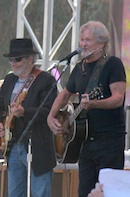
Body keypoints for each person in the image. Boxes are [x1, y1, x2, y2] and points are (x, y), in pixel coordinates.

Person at [47, 20, 126, 197]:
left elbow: (118, 99)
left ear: (102, 43)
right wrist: (51, 116)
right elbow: (65, 94)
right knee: (85, 192)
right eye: (81, 39)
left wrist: (94, 103)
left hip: (109, 142)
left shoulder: (112, 64)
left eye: (88, 40)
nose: (82, 44)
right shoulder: (79, 67)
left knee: (109, 192)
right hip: (84, 143)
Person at [0, 38, 57, 197]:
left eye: (17, 59)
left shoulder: (45, 80)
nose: (13, 63)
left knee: (40, 192)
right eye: (11, 59)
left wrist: (24, 112)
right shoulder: (10, 79)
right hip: (13, 146)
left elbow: (49, 111)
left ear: (31, 59)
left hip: (38, 146)